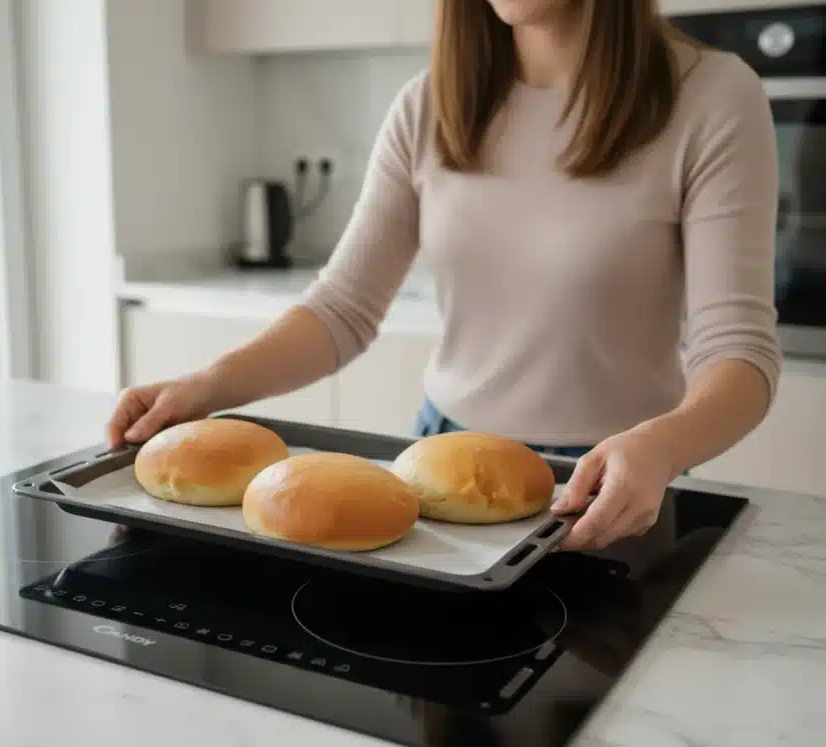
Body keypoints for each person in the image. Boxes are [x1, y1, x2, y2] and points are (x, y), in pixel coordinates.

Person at [107, 0, 781, 552]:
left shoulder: (711, 97)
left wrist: (661, 447)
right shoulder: (427, 105)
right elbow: (343, 308)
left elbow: (739, 351)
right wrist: (205, 386)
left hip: (616, 485)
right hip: (441, 463)